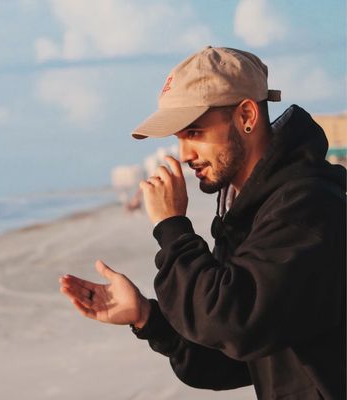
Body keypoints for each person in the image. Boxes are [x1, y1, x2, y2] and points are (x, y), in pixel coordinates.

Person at [59, 46, 346, 399]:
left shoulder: (308, 207)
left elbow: (234, 323)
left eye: (194, 132)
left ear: (246, 116)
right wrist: (147, 318)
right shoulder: (250, 212)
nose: (184, 155)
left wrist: (172, 229)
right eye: (179, 137)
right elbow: (233, 357)